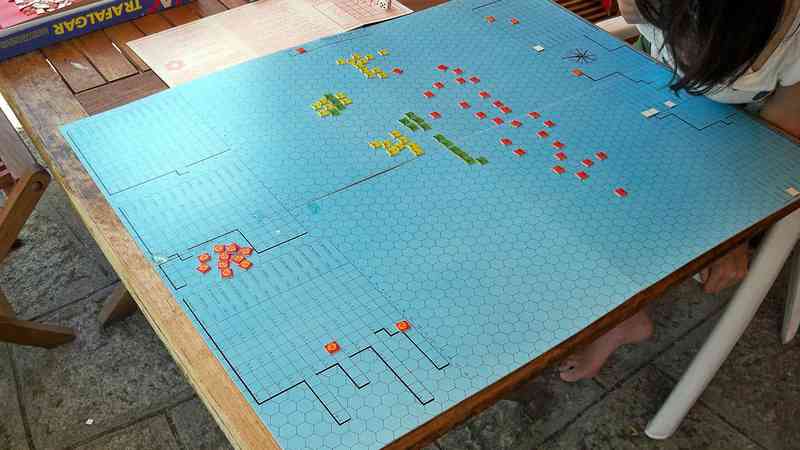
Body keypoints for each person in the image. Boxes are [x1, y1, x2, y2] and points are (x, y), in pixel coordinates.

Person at [559, 0, 800, 382]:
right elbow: (632, 17)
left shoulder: (792, 41)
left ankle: (622, 318)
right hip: (652, 94)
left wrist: (736, 237)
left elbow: (776, 149)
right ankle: (622, 313)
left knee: (648, 214)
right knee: (582, 183)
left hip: (738, 141)